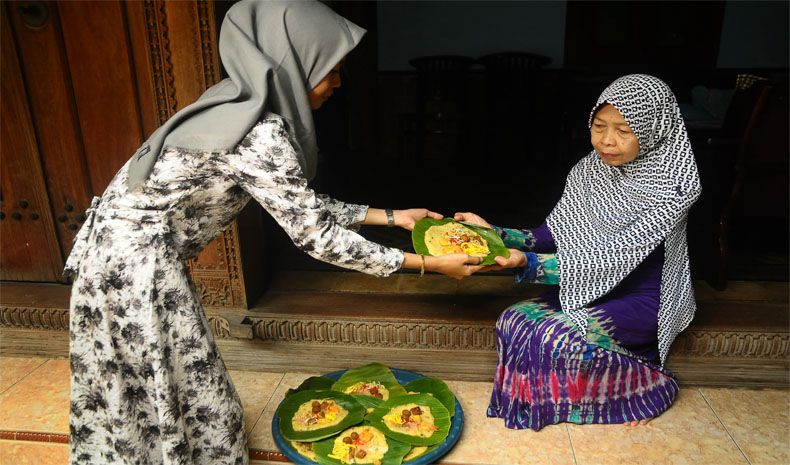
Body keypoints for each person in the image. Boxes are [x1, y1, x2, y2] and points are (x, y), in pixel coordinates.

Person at [63, 2, 482, 464]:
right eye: (330, 71)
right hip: (133, 266)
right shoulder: (257, 131)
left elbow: (296, 202)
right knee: (185, 385)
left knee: (154, 380)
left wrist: (390, 216)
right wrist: (425, 264)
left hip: (118, 254)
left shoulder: (235, 102)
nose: (338, 85)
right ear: (291, 67)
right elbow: (314, 234)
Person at [456, 74, 701, 430]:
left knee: (556, 336)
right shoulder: (590, 170)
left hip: (647, 298)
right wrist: (492, 233)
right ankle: (548, 401)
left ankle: (649, 387)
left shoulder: (675, 183)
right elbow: (551, 232)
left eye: (624, 129)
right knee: (513, 319)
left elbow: (616, 257)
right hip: (592, 284)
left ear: (652, 129)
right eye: (599, 125)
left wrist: (529, 264)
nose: (606, 140)